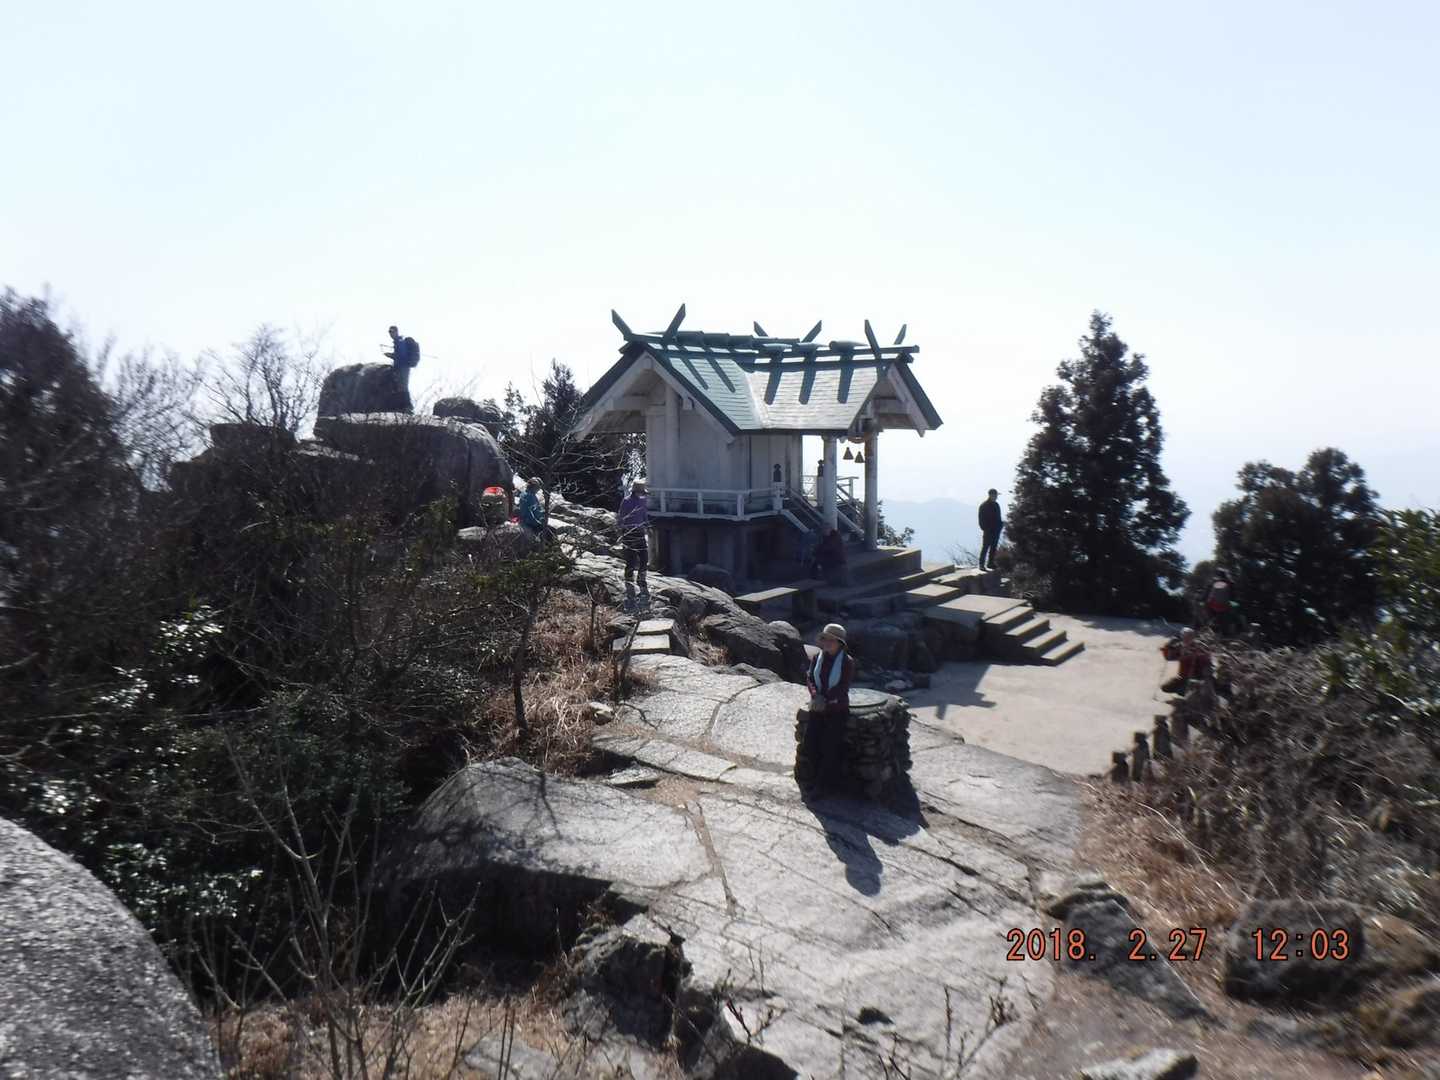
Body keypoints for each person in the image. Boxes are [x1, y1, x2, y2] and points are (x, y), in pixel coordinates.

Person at [801, 623, 854, 796]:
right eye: (825, 639)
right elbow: (810, 678)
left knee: (829, 748)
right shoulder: (818, 657)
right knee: (810, 744)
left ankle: (822, 786)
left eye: (832, 640)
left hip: (837, 710)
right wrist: (815, 695)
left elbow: (843, 687)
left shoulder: (847, 662)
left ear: (840, 643)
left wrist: (826, 699)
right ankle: (812, 779)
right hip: (818, 707)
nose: (828, 643)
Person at [618, 478, 650, 594]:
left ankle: (640, 578)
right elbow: (621, 516)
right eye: (642, 492)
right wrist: (622, 530)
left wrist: (648, 525)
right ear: (637, 491)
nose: (643, 494)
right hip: (629, 532)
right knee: (632, 557)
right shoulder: (627, 501)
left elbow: (644, 515)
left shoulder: (642, 501)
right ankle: (629, 578)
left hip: (639, 531)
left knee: (644, 556)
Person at [1160, 628, 1212, 694]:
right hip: (1183, 677)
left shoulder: (1199, 646)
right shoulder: (1180, 646)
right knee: (1165, 687)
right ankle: (1185, 690)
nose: (1187, 639)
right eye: (1185, 636)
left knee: (1194, 688)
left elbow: (1207, 659)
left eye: (1189, 636)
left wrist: (1197, 655)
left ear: (1193, 637)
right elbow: (1169, 657)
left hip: (1197, 677)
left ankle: (1194, 690)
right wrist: (1168, 646)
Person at [384, 325, 421, 393]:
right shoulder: (398, 341)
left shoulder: (400, 341)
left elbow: (402, 356)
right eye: (390, 332)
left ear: (396, 332)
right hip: (401, 368)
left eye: (392, 332)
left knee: (402, 389)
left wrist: (391, 355)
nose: (391, 334)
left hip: (402, 368)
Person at [1204, 569, 1238, 636]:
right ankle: (1234, 626)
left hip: (1213, 606)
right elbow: (1234, 597)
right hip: (1226, 606)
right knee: (1236, 607)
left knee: (1206, 607)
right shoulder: (1230, 582)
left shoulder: (1212, 582)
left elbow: (1206, 596)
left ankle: (1211, 621)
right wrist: (1234, 603)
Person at [978, 489, 1003, 571]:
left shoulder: (996, 505)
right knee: (985, 547)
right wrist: (986, 529)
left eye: (996, 495)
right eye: (995, 495)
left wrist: (1001, 525)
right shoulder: (984, 506)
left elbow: (998, 518)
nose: (996, 497)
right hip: (988, 531)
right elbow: (981, 520)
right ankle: (981, 564)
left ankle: (990, 563)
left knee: (993, 547)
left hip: (996, 530)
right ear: (990, 495)